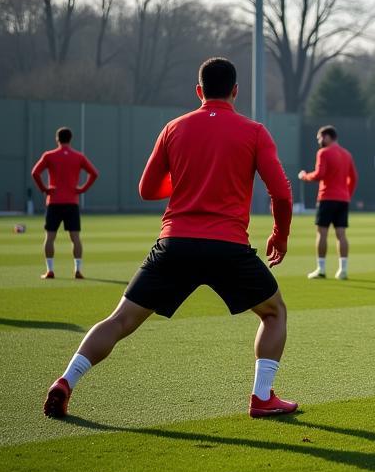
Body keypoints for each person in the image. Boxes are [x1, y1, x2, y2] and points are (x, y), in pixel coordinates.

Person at [43, 57, 296, 421]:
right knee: (274, 313)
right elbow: (282, 194)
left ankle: (66, 381)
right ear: (236, 91)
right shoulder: (254, 131)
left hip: (175, 243)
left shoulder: (174, 128)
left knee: (119, 321)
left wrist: (187, 181)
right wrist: (280, 235)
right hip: (228, 247)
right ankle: (261, 397)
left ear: (199, 91)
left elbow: (146, 189)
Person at [31, 127, 98, 280]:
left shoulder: (49, 155)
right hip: (71, 202)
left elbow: (35, 172)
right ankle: (78, 271)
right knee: (75, 238)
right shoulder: (78, 157)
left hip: (54, 201)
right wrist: (82, 189)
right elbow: (94, 173)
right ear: (70, 139)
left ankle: (50, 271)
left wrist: (44, 189)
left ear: (57, 139)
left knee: (49, 237)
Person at [299, 126, 358, 279]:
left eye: (319, 137)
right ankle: (343, 270)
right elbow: (354, 178)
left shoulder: (323, 153)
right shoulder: (347, 154)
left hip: (326, 198)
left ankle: (321, 269)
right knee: (341, 234)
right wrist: (347, 194)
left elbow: (320, 174)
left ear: (327, 137)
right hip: (342, 199)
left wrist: (305, 176)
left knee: (321, 233)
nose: (319, 141)